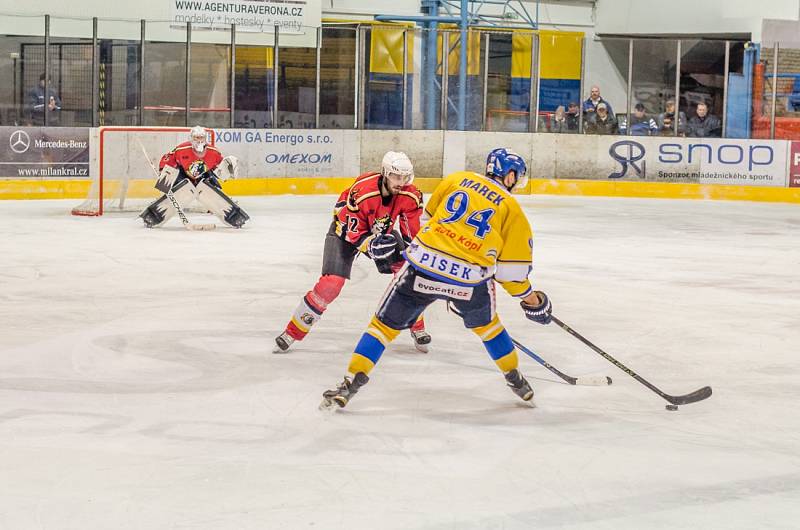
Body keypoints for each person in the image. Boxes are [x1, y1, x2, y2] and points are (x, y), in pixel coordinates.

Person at [320, 148, 553, 410]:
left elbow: (429, 219)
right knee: (489, 328)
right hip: (468, 278)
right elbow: (511, 274)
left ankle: (350, 383)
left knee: (382, 327)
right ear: (509, 176)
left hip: (423, 263)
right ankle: (516, 379)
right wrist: (533, 301)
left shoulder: (456, 179)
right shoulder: (512, 210)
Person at [274, 151, 431, 354]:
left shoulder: (411, 195)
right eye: (395, 176)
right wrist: (370, 245)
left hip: (381, 232)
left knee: (408, 273)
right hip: (344, 232)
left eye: (405, 177)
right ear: (385, 173)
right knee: (331, 283)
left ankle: (417, 326)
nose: (401, 182)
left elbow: (411, 230)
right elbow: (350, 229)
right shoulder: (362, 191)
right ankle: (292, 332)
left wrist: (414, 253)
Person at [139, 126, 249, 228]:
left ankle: (230, 212)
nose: (199, 140)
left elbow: (219, 168)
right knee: (178, 188)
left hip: (204, 176)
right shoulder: (182, 149)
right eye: (196, 137)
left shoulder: (214, 152)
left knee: (213, 187)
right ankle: (154, 214)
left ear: (205, 138)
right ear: (191, 138)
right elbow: (168, 158)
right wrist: (163, 171)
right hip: (184, 176)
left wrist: (227, 169)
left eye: (201, 137)